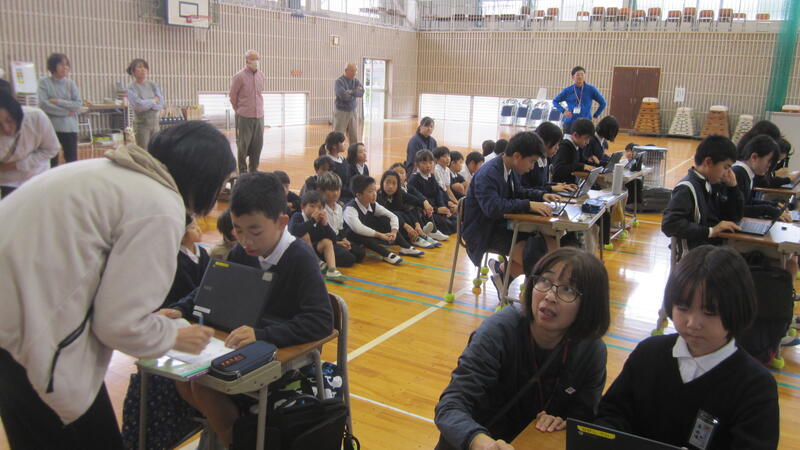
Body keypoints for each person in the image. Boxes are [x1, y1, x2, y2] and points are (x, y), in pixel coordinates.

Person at [0, 121, 234, 449]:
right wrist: (174, 336)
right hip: (34, 340)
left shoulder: (106, 171)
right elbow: (117, 326)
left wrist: (147, 321)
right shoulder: (159, 206)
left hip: (15, 328)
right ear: (205, 178)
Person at [164, 171, 334, 448]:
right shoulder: (243, 251)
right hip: (247, 346)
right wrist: (179, 310)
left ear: (281, 222)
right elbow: (214, 286)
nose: (246, 240)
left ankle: (233, 439)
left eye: (255, 231)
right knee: (185, 378)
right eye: (238, 230)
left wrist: (262, 335)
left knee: (202, 386)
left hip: (289, 359)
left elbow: (321, 321)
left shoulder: (300, 258)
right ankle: (231, 434)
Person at [595, 245, 779, 450]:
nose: (693, 323)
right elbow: (612, 412)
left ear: (737, 309)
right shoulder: (649, 353)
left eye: (709, 312)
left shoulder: (756, 386)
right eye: (683, 308)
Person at [435, 247, 610, 449]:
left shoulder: (591, 351)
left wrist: (561, 422)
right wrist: (481, 443)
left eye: (568, 289)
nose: (550, 296)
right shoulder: (497, 332)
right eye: (545, 280)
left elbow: (584, 419)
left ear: (589, 304)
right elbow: (450, 406)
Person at [462, 131, 561, 296]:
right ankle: (530, 295)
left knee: (550, 245)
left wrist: (541, 195)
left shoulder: (509, 167)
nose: (532, 167)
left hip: (503, 225)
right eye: (531, 162)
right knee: (539, 256)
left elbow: (518, 192)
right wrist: (528, 205)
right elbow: (492, 208)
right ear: (517, 156)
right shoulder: (488, 174)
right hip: (484, 231)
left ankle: (503, 275)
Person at [662, 135, 744, 249]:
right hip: (694, 255)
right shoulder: (686, 188)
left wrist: (733, 187)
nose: (728, 173)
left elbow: (735, 216)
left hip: (709, 250)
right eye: (726, 167)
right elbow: (669, 224)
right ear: (708, 162)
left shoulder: (712, 184)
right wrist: (710, 231)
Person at [344, 174, 425, 265]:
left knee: (385, 219)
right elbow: (358, 228)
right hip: (351, 239)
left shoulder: (373, 204)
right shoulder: (350, 209)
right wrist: (380, 235)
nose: (374, 194)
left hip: (368, 235)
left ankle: (405, 247)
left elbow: (393, 216)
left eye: (375, 190)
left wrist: (394, 232)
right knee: (361, 237)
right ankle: (386, 254)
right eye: (370, 191)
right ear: (359, 195)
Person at [0, 91, 60, 198]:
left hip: (37, 177)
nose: (6, 129)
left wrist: (16, 165)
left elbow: (52, 149)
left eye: (9, 121)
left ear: (16, 114)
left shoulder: (35, 117)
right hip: (7, 182)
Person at [289, 190, 347, 281]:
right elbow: (294, 231)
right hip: (296, 251)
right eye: (312, 206)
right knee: (304, 235)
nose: (316, 210)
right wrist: (312, 221)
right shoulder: (298, 216)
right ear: (303, 207)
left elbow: (334, 239)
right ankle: (317, 263)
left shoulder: (319, 221)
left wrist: (326, 224)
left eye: (319, 208)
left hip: (313, 251)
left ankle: (332, 270)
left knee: (327, 242)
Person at [38, 53, 82, 167]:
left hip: (70, 128)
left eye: (67, 65)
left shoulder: (70, 83)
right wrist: (67, 112)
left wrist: (58, 101)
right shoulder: (44, 83)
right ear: (53, 66)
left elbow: (77, 105)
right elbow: (43, 104)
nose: (65, 67)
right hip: (52, 128)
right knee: (52, 162)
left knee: (71, 162)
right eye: (62, 64)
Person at [731, 135, 789, 221]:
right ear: (754, 157)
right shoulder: (738, 173)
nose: (770, 166)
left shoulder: (747, 173)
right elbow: (737, 210)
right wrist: (768, 210)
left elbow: (747, 202)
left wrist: (772, 205)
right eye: (769, 161)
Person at [378, 169, 439, 249]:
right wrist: (407, 226)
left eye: (394, 183)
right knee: (397, 214)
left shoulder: (399, 193)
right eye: (387, 182)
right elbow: (390, 214)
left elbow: (415, 201)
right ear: (382, 183)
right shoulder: (378, 196)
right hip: (385, 226)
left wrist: (424, 207)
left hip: (400, 222)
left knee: (409, 209)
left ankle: (419, 232)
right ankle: (414, 237)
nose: (390, 186)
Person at [317, 171, 366, 267]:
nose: (335, 193)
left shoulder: (339, 207)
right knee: (350, 259)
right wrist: (338, 243)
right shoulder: (320, 209)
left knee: (360, 253)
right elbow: (320, 235)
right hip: (327, 242)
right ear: (321, 191)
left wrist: (344, 240)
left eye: (337, 189)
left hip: (337, 239)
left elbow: (341, 228)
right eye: (331, 190)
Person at [230, 50, 265, 173]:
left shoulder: (261, 75)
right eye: (254, 59)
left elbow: (259, 94)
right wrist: (239, 110)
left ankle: (254, 169)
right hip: (244, 116)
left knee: (258, 145)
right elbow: (233, 96)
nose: (256, 61)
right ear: (247, 61)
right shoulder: (239, 76)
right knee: (243, 145)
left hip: (259, 115)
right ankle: (243, 170)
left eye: (258, 59)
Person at [163, 216, 210, 308]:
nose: (198, 229)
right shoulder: (178, 259)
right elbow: (185, 289)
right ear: (181, 235)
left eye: (197, 225)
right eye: (193, 227)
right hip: (182, 304)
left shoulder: (202, 252)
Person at [408, 150, 457, 235]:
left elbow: (438, 194)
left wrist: (444, 208)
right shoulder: (414, 179)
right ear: (417, 164)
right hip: (426, 212)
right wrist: (437, 210)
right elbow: (418, 200)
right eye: (424, 163)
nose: (428, 166)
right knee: (445, 223)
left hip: (437, 209)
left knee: (456, 220)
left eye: (430, 163)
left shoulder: (431, 177)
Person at [520, 121, 575, 194]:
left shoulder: (546, 159)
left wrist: (558, 185)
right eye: (555, 145)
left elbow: (542, 185)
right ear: (543, 142)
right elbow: (525, 189)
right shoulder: (529, 161)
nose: (557, 148)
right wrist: (551, 188)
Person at [552, 66, 606, 134]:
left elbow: (603, 103)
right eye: (577, 75)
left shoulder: (591, 89)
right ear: (573, 77)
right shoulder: (568, 90)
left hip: (586, 123)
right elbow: (555, 101)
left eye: (582, 74)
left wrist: (595, 116)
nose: (580, 77)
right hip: (570, 123)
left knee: (586, 140)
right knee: (568, 140)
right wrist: (563, 111)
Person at [127, 58, 164, 149]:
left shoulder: (153, 85)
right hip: (142, 125)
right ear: (133, 72)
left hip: (155, 123)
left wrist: (147, 103)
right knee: (144, 150)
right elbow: (139, 106)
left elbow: (160, 103)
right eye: (139, 67)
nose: (143, 69)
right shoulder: (131, 88)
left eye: (145, 67)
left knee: (157, 149)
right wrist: (153, 100)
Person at [550, 118, 596, 184]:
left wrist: (594, 165)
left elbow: (582, 161)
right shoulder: (564, 147)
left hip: (572, 184)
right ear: (575, 135)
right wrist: (582, 166)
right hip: (561, 185)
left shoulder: (578, 146)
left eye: (589, 139)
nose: (588, 142)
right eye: (586, 138)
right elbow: (558, 169)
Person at [333, 62, 364, 145]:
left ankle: (353, 153)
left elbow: (361, 93)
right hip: (341, 112)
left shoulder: (356, 81)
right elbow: (343, 96)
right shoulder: (339, 82)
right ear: (346, 70)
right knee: (338, 137)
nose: (355, 73)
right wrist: (354, 94)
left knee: (354, 137)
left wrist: (350, 92)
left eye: (356, 71)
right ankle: (336, 153)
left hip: (353, 112)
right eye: (353, 71)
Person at [319, 131, 352, 201]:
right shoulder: (328, 163)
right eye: (342, 142)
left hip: (347, 193)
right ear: (334, 146)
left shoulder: (343, 160)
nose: (345, 144)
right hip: (337, 197)